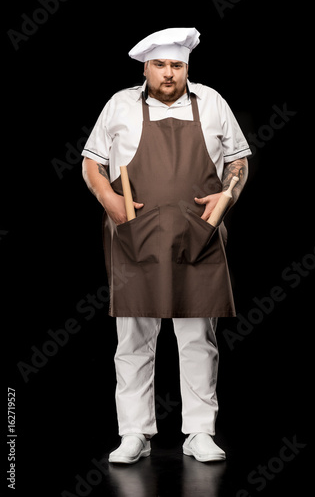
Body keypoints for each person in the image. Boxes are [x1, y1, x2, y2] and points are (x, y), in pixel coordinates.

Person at [81, 27, 251, 464]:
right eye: (160, 65)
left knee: (198, 337)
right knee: (134, 337)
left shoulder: (212, 102)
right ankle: (134, 433)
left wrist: (227, 193)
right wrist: (107, 199)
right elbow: (91, 164)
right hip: (135, 235)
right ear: (146, 68)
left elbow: (238, 162)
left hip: (200, 234)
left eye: (176, 65)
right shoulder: (120, 104)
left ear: (187, 67)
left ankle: (199, 432)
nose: (168, 74)